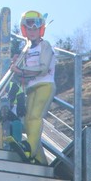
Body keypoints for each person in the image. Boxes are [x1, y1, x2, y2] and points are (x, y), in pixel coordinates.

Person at [12, 9, 55, 165]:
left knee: (36, 116)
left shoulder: (45, 45)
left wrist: (22, 70)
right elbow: (19, 75)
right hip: (30, 87)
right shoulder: (26, 50)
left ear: (40, 29)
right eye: (28, 28)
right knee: (28, 121)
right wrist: (16, 65)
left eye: (35, 28)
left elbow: (43, 68)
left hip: (45, 84)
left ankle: (29, 147)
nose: (32, 32)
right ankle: (39, 158)